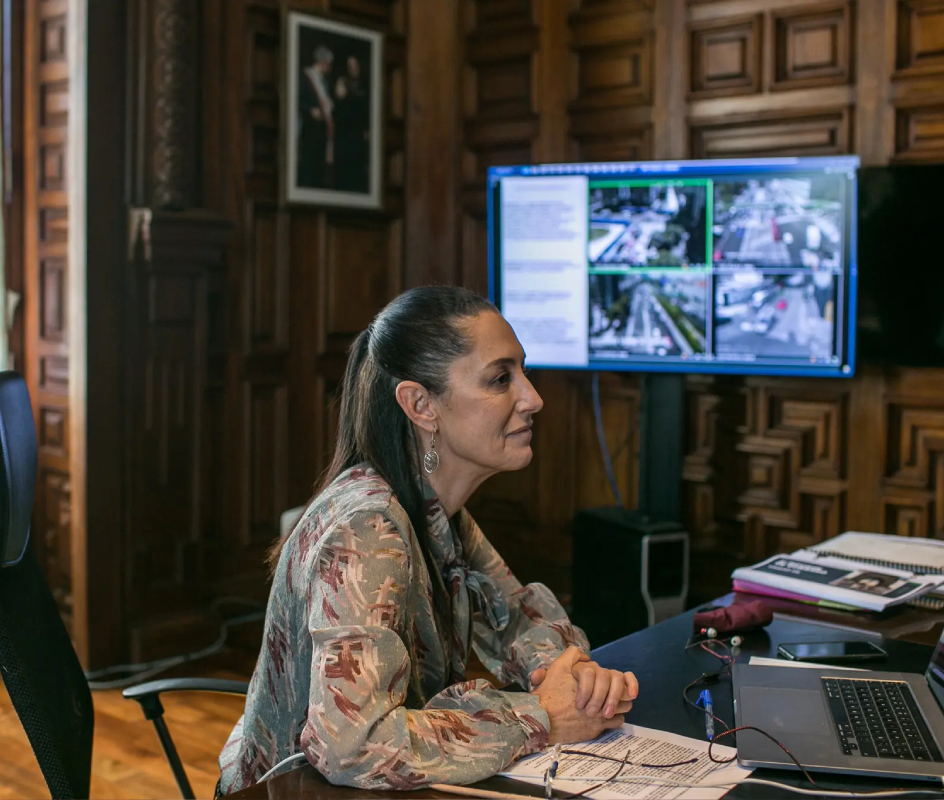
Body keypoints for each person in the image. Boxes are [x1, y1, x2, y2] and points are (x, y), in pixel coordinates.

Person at [217, 287, 639, 793]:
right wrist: (538, 715)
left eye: (522, 373)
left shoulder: (435, 509)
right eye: (501, 378)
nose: (533, 398)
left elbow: (519, 617)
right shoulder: (368, 530)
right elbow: (352, 745)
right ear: (420, 404)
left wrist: (567, 673)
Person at [297, 45, 335, 188]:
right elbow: (298, 100)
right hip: (309, 127)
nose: (329, 67)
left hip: (322, 128)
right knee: (309, 162)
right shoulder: (306, 77)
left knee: (320, 163)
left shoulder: (325, 81)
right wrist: (310, 110)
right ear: (323, 62)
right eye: (328, 64)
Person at [332, 54, 369, 193]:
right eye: (350, 66)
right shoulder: (342, 82)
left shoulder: (364, 85)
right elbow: (339, 104)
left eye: (355, 66)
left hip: (358, 132)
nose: (353, 69)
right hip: (344, 132)